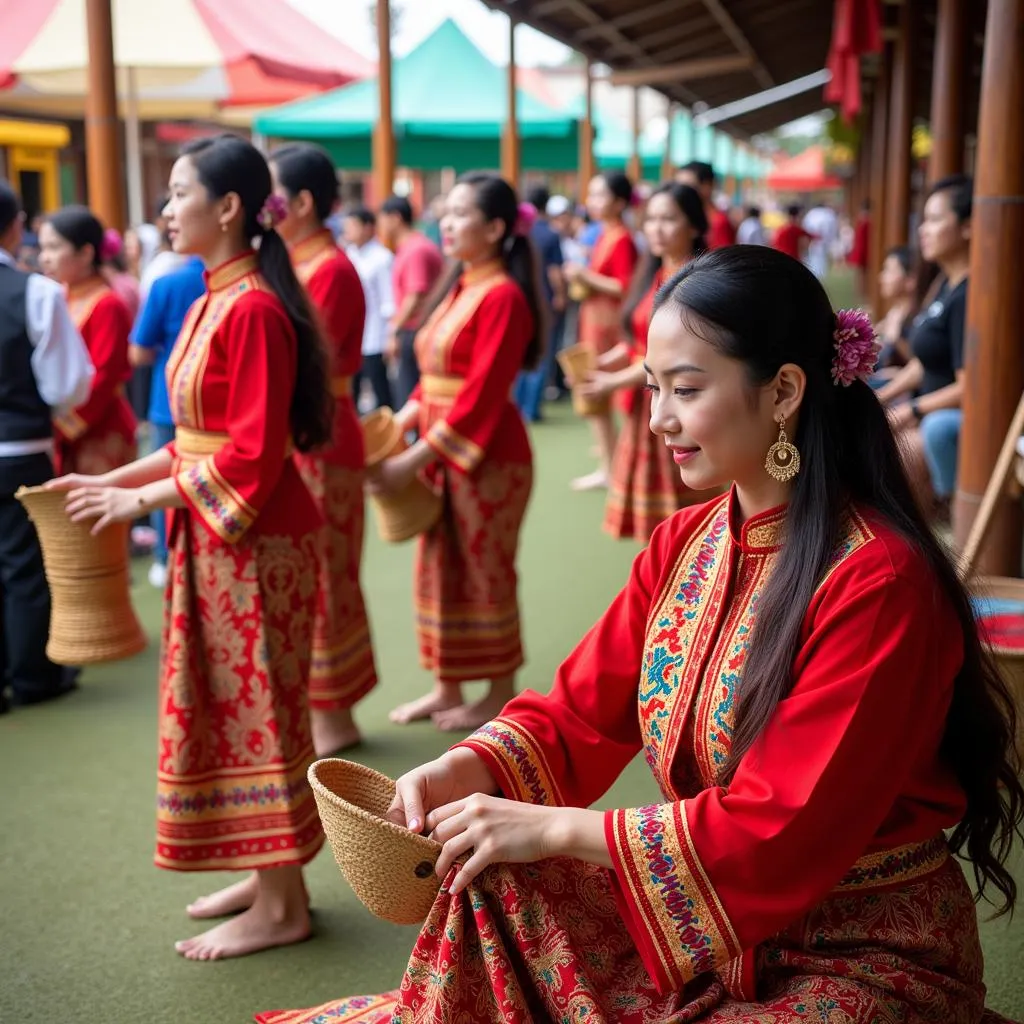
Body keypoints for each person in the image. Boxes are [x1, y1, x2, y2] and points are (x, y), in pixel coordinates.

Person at [260, 245, 1023, 1024]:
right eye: (655, 388)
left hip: (861, 954)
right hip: (707, 934)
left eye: (685, 390)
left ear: (785, 390)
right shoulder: (685, 543)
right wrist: (466, 767)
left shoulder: (880, 581)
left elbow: (778, 826)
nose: (657, 418)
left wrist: (556, 826)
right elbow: (578, 711)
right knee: (490, 872)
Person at [49, 134, 333, 960]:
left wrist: (133, 496)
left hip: (258, 549)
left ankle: (285, 905)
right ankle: (267, 875)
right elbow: (193, 442)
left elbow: (250, 455)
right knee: (229, 707)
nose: (166, 211)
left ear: (230, 208)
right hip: (218, 541)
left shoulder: (252, 309)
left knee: (259, 716)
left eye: (178, 194)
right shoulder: (214, 295)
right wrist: (116, 486)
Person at [371, 172, 544, 733]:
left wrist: (409, 461)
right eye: (444, 212)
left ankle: (498, 692)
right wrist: (400, 422)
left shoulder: (504, 297)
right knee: (439, 568)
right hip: (445, 451)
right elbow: (433, 378)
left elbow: (481, 398)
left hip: (490, 459)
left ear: (496, 228)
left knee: (484, 570)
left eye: (461, 214)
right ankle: (446, 686)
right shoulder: (462, 284)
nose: (446, 222)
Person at [269, 142, 379, 757]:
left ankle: (334, 714)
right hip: (305, 433)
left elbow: (311, 366)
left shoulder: (329, 269)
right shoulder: (298, 262)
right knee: (312, 571)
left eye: (274, 196)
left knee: (329, 574)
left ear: (303, 203)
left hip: (321, 435)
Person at [580, 182, 719, 541]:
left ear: (693, 226)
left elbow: (679, 356)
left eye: (668, 219)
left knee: (689, 517)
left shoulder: (699, 282)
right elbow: (639, 342)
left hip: (684, 403)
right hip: (651, 404)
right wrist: (606, 363)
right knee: (658, 524)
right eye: (651, 219)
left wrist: (611, 382)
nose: (656, 228)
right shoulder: (653, 274)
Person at [0, 180, 92, 714]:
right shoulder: (33, 292)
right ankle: (33, 676)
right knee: (24, 564)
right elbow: (65, 387)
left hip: (20, 443)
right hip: (20, 445)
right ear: (16, 226)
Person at [878, 176, 972, 518]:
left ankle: (939, 513)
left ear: (968, 227)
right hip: (925, 405)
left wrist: (912, 410)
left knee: (893, 452)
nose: (923, 231)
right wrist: (885, 396)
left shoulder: (970, 293)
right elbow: (922, 363)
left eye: (935, 220)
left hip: (943, 415)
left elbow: (969, 387)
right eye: (924, 221)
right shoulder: (944, 283)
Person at [38, 207, 137, 476]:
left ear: (86, 253)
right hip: (63, 428)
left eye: (54, 247)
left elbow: (105, 376)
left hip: (100, 426)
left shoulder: (107, 304)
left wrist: (63, 426)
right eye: (43, 247)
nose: (44, 257)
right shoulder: (59, 296)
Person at [129, 252, 206, 589]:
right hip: (211, 404)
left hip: (170, 398)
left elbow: (138, 351)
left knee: (167, 479)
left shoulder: (168, 284)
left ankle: (165, 556)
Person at [564, 172, 638, 491]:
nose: (592, 201)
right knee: (596, 396)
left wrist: (584, 275)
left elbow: (625, 286)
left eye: (599, 195)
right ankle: (609, 463)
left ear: (619, 202)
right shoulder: (604, 234)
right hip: (595, 320)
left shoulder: (621, 238)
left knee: (603, 392)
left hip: (608, 325)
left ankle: (614, 466)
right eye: (591, 195)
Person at [379, 195, 445, 411]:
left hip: (415, 329)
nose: (380, 224)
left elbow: (416, 294)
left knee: (409, 394)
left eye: (383, 218)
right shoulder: (411, 247)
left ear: (395, 218)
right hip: (413, 329)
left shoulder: (416, 249)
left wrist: (394, 330)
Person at [514, 185, 566, 423]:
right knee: (542, 351)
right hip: (544, 300)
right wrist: (560, 295)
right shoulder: (551, 234)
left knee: (521, 351)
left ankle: (519, 403)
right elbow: (555, 271)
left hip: (521, 299)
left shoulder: (523, 232)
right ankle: (531, 408)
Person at [344, 205, 396, 412]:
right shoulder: (349, 254)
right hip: (355, 335)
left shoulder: (382, 258)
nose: (347, 231)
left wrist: (390, 335)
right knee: (352, 392)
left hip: (376, 335)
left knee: (380, 390)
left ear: (367, 228)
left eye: (352, 226)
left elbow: (388, 301)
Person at [869, 245, 917, 386]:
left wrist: (896, 339)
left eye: (889, 271)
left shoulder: (916, 317)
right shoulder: (895, 313)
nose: (881, 277)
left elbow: (920, 363)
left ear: (910, 280)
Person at [676, 161, 735, 249]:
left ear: (707, 186)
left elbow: (723, 261)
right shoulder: (685, 219)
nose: (681, 193)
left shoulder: (718, 222)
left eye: (688, 188)